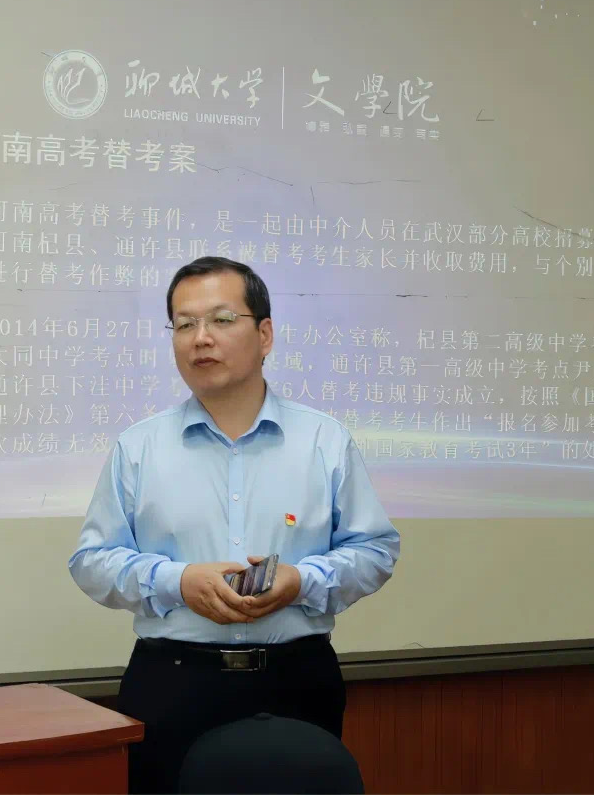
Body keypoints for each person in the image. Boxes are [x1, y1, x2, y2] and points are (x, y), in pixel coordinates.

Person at [68, 256, 400, 794]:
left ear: (265, 334)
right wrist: (177, 582)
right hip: (173, 683)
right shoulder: (139, 446)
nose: (201, 338)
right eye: (184, 324)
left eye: (222, 320)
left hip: (297, 680)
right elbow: (91, 561)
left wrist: (302, 582)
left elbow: (375, 549)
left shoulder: (324, 441)